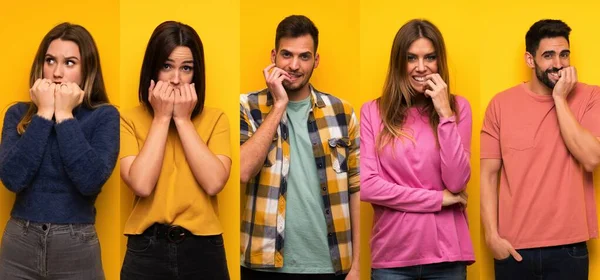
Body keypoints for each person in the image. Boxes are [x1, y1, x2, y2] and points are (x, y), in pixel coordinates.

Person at [239, 15, 360, 280]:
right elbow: (243, 170)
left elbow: (355, 189)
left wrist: (358, 264)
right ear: (274, 56)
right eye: (286, 55)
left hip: (330, 264)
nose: (294, 65)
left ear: (316, 60)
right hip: (263, 264)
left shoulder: (342, 112)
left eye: (304, 57)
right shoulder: (248, 107)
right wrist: (279, 105)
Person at [481, 19, 600, 280]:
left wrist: (560, 98)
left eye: (564, 54)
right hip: (514, 250)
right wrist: (492, 237)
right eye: (548, 55)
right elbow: (488, 175)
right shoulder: (500, 104)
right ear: (530, 59)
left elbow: (591, 158)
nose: (558, 63)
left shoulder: (591, 97)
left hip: (570, 249)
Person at [0, 22, 119, 280]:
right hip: (19, 242)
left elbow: (90, 181)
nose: (56, 72)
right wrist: (43, 113)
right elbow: (12, 178)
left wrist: (64, 115)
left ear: (86, 70)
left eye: (69, 63)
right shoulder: (17, 114)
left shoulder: (104, 116)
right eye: (50, 60)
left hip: (76, 244)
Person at [360, 19, 473, 280]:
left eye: (430, 57)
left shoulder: (459, 108)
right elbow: (368, 186)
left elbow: (456, 182)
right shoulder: (373, 112)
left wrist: (445, 113)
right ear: (399, 62)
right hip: (392, 258)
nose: (421, 68)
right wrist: (437, 199)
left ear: (439, 61)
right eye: (411, 58)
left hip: (448, 256)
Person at [119, 21, 232, 279]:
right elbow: (142, 185)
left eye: (186, 68)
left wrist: (182, 119)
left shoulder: (217, 119)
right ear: (152, 69)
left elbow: (215, 182)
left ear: (197, 74)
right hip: (146, 250)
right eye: (166, 66)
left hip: (204, 249)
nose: (176, 79)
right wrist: (161, 118)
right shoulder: (128, 120)